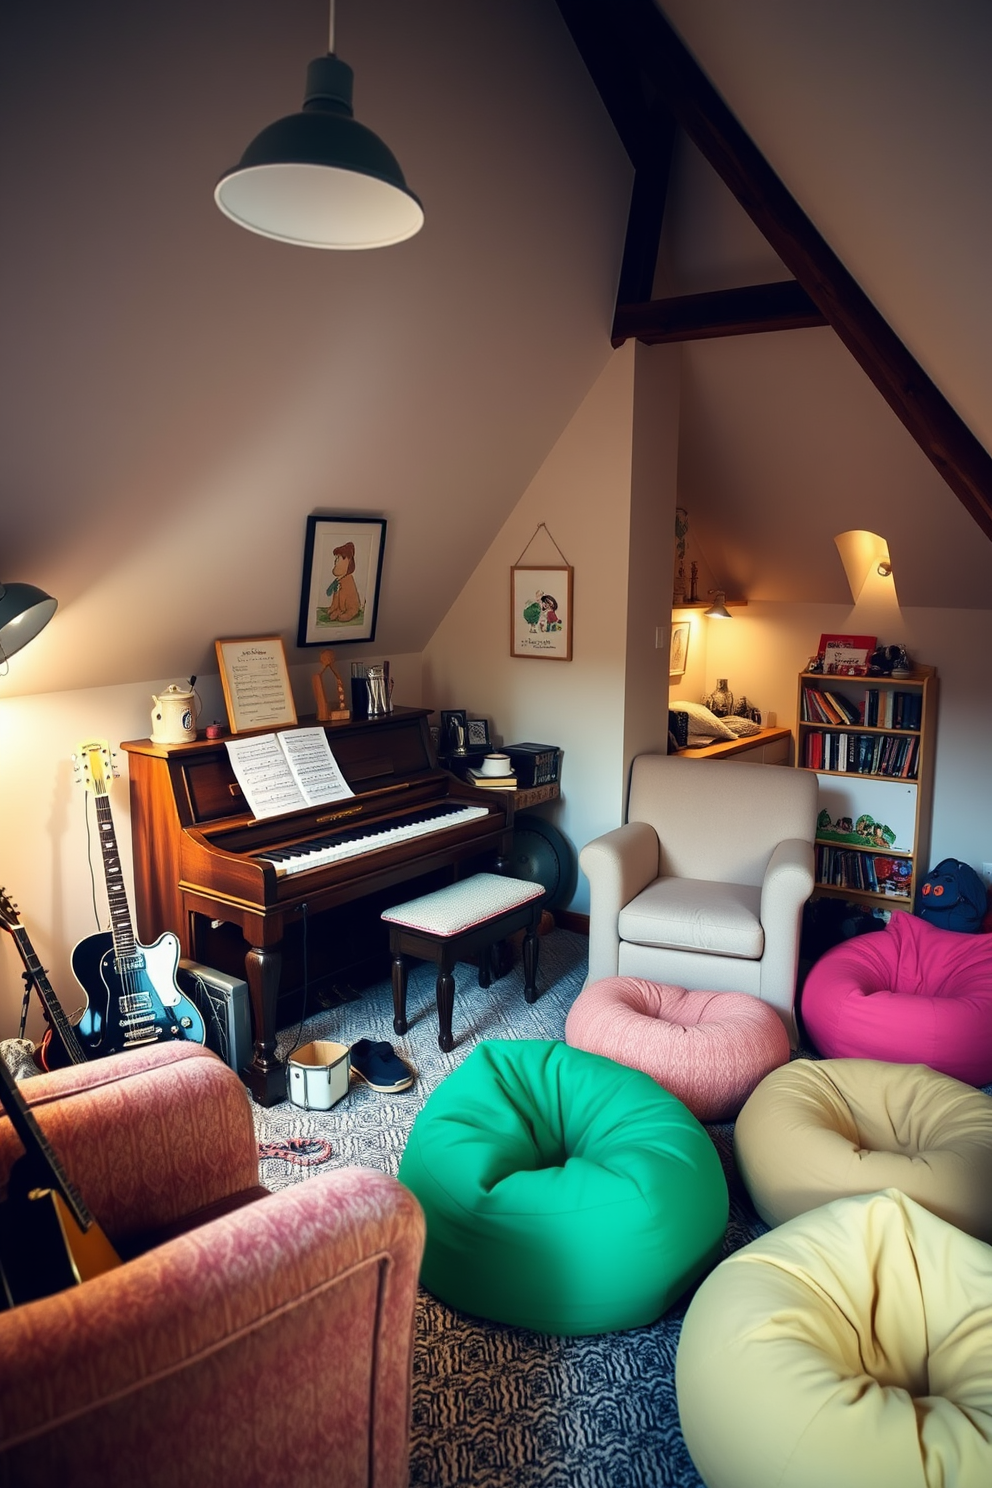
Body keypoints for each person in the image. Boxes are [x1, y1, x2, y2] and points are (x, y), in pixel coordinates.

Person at [325, 542, 361, 624]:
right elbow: (336, 595)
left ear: (347, 562)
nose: (335, 561)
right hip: (341, 607)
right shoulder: (338, 580)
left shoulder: (348, 581)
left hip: (351, 607)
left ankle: (348, 612)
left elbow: (349, 599)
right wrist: (335, 607)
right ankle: (337, 609)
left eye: (338, 558)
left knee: (350, 604)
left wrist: (350, 611)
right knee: (337, 594)